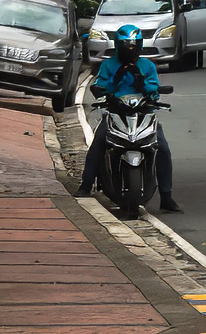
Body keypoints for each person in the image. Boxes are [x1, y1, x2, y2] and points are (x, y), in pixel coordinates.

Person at [74, 24, 180, 213]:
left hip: (144, 113)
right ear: (118, 46)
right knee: (98, 142)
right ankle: (86, 184)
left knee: (162, 148)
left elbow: (154, 92)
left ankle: (167, 196)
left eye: (133, 46)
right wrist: (113, 83)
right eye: (126, 46)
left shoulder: (147, 66)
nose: (130, 50)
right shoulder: (108, 65)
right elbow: (100, 87)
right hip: (115, 112)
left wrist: (142, 83)